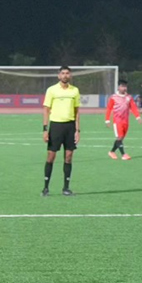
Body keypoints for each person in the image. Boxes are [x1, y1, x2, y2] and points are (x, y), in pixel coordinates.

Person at [41, 65, 81, 196]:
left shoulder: (74, 91)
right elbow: (46, 110)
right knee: (51, 156)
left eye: (67, 73)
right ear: (59, 75)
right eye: (62, 73)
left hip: (70, 127)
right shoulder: (51, 90)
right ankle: (46, 188)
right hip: (56, 126)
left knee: (69, 157)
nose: (65, 75)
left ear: (70, 75)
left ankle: (66, 188)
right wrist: (45, 129)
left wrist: (77, 130)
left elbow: (77, 111)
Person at [104, 78, 142, 160]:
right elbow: (109, 109)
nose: (124, 88)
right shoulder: (113, 97)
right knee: (120, 137)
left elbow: (133, 107)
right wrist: (107, 120)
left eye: (125, 86)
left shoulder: (129, 97)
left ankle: (111, 152)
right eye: (122, 86)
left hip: (126, 121)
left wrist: (137, 117)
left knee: (120, 139)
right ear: (118, 87)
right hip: (117, 121)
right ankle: (123, 154)